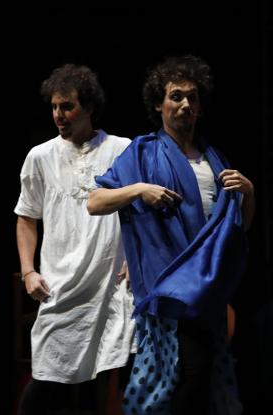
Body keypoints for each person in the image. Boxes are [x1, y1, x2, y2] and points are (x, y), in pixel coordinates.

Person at [88, 55, 255, 414]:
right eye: (176, 96)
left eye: (192, 97)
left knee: (200, 378)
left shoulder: (214, 158)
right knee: (189, 372)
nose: (185, 105)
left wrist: (249, 193)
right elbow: (96, 202)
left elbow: (239, 228)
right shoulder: (143, 151)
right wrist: (138, 190)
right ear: (158, 104)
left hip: (209, 285)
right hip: (171, 285)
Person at [14, 63, 136, 415]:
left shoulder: (121, 149)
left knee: (100, 387)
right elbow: (26, 217)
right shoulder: (40, 156)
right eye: (54, 107)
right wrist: (27, 271)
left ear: (90, 108)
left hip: (109, 286)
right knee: (46, 381)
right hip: (61, 286)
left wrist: (135, 258)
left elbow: (141, 212)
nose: (58, 115)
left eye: (67, 106)